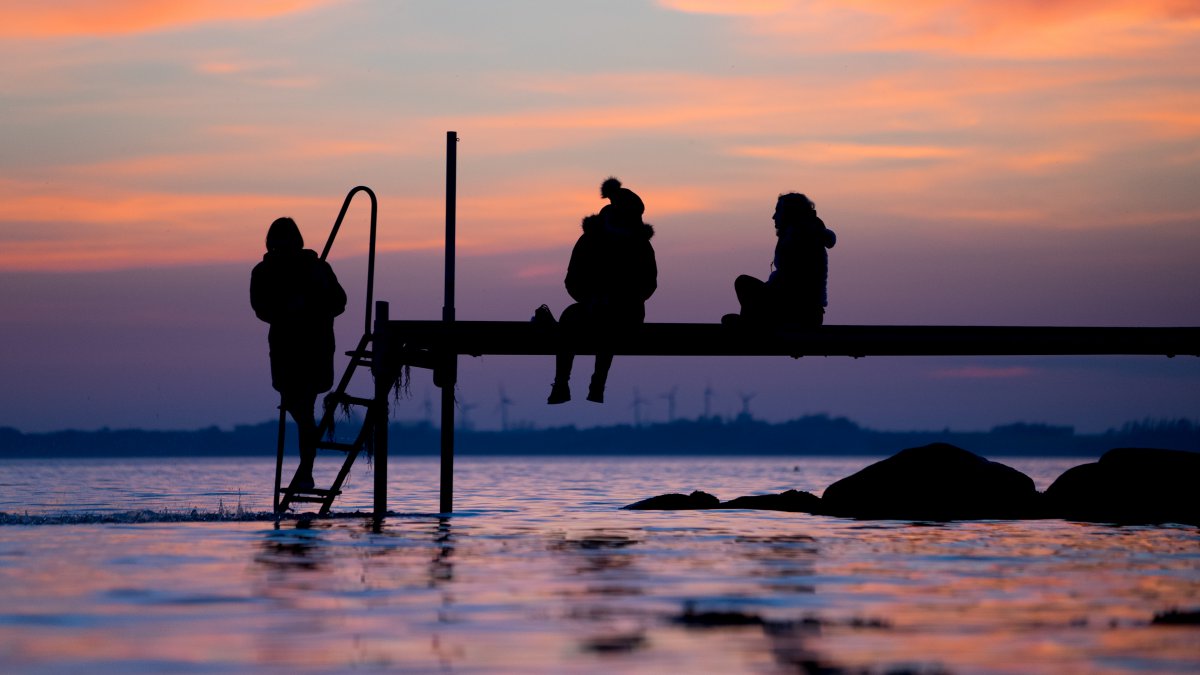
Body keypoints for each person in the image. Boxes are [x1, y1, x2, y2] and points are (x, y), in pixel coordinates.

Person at [250, 217, 347, 490]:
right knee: (300, 408)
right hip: (285, 352)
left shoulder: (318, 269)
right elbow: (261, 308)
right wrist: (287, 308)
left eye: (287, 243)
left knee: (303, 407)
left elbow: (339, 302)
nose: (282, 249)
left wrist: (312, 302)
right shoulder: (263, 272)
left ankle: (306, 469)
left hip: (315, 350)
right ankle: (306, 469)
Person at [548, 178, 657, 404]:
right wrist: (591, 299)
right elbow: (573, 280)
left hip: (627, 312)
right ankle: (562, 383)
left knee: (609, 323)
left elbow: (648, 283)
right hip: (592, 309)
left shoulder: (640, 244)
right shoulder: (590, 241)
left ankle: (597, 384)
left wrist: (624, 299)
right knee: (570, 318)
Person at [724, 193, 836, 327]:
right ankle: (750, 323)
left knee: (743, 283)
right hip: (807, 312)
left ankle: (751, 325)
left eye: (777, 211)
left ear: (789, 213)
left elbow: (789, 284)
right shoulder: (803, 234)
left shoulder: (799, 237)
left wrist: (763, 294)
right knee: (743, 293)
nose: (773, 217)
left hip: (798, 313)